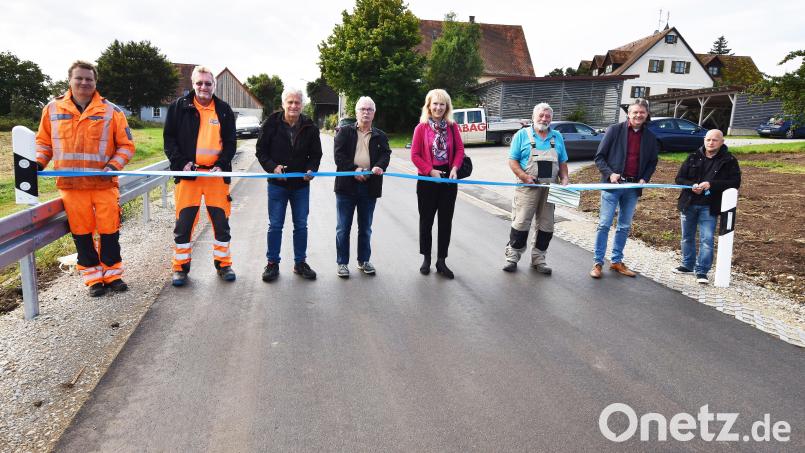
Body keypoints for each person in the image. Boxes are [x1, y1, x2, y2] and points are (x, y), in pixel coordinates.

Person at [35, 60, 135, 297]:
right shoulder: (52, 109)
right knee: (81, 232)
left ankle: (113, 275)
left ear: (95, 82)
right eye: (79, 78)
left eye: (89, 79)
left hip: (103, 183)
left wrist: (113, 166)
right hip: (71, 186)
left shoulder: (111, 111)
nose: (84, 82)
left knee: (110, 230)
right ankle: (92, 279)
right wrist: (37, 163)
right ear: (69, 80)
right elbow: (43, 143)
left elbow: (126, 146)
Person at [163, 65, 237, 287]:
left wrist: (222, 165)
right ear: (193, 84)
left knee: (221, 223)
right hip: (189, 177)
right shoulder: (179, 107)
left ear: (214, 85)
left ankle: (223, 264)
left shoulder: (223, 109)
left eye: (208, 83)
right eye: (199, 83)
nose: (203, 87)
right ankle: (180, 268)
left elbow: (231, 143)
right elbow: (169, 140)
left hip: (215, 177)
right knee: (184, 225)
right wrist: (180, 163)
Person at [256, 88, 322, 281]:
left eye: (297, 102)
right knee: (275, 225)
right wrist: (272, 167)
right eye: (290, 102)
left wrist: (312, 169)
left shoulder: (310, 126)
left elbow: (316, 154)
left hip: (301, 186)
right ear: (283, 104)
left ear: (302, 104)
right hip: (277, 185)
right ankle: (272, 264)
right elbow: (261, 151)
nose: (294, 106)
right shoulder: (271, 123)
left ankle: (300, 263)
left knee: (301, 225)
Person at [590, 98, 659, 279]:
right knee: (604, 224)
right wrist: (610, 173)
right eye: (635, 112)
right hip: (612, 185)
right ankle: (598, 263)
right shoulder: (614, 130)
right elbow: (599, 157)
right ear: (628, 114)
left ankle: (616, 262)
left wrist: (645, 178)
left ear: (647, 115)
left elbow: (653, 161)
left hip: (632, 188)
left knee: (624, 226)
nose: (638, 115)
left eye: (642, 112)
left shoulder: (650, 137)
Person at [502, 103, 569, 274]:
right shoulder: (522, 135)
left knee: (546, 226)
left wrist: (565, 178)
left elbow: (562, 162)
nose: (544, 119)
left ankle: (539, 259)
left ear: (551, 119)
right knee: (521, 222)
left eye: (547, 116)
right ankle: (512, 258)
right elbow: (512, 160)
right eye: (541, 115)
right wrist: (524, 177)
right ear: (533, 117)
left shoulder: (557, 137)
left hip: (550, 188)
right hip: (527, 187)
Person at [333, 96, 391, 278]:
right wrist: (354, 169)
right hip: (346, 187)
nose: (366, 112)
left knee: (365, 227)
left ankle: (363, 260)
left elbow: (386, 154)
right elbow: (339, 156)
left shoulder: (380, 135)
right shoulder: (344, 132)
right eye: (362, 109)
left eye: (369, 110)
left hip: (369, 187)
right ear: (356, 112)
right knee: (343, 227)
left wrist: (379, 166)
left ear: (374, 113)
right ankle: (342, 263)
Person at [673, 129, 741, 284]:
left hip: (709, 206)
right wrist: (692, 185)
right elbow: (679, 178)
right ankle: (687, 265)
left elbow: (735, 183)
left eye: (715, 140)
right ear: (704, 140)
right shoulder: (693, 157)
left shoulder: (729, 160)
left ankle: (702, 271)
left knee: (707, 239)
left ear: (722, 142)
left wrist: (712, 184)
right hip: (689, 203)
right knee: (687, 237)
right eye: (708, 139)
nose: (711, 143)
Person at [410, 88, 465, 279]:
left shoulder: (452, 127)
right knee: (426, 221)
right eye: (435, 103)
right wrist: (430, 171)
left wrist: (455, 168)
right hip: (427, 180)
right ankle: (426, 258)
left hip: (448, 180)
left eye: (442, 104)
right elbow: (415, 155)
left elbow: (459, 150)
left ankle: (441, 261)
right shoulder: (421, 128)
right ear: (429, 105)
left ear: (447, 107)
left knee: (445, 222)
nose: (438, 107)